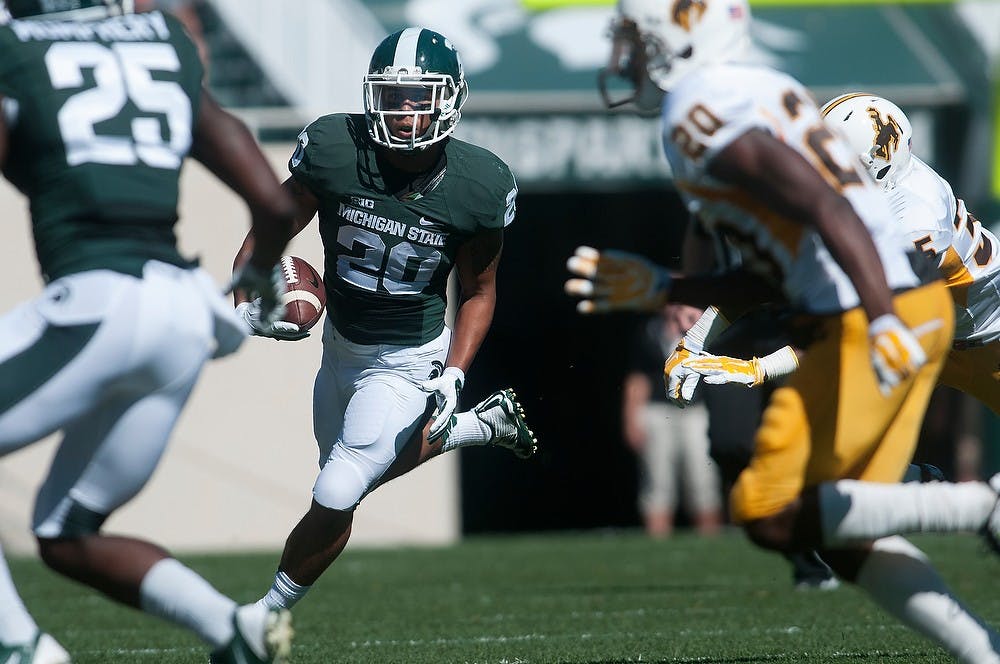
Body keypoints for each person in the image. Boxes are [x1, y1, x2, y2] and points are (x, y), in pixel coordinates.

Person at [567, 0, 1000, 660]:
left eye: (637, 34)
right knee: (810, 526)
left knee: (775, 509)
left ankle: (974, 506)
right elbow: (790, 266)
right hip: (886, 310)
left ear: (684, 33)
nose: (626, 51)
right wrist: (671, 291)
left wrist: (872, 320)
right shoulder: (763, 88)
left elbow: (824, 209)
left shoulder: (698, 114)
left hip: (892, 312)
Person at [0, 1, 299, 662]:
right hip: (182, 317)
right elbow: (275, 204)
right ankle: (233, 627)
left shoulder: (16, 49)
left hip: (97, 304)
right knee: (67, 532)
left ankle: (20, 649)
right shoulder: (164, 39)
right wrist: (258, 270)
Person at [233, 27, 537, 613]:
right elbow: (274, 223)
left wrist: (453, 372)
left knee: (337, 488)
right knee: (338, 492)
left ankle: (261, 619)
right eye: (393, 95)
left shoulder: (479, 184)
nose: (404, 111)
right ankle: (475, 429)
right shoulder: (335, 146)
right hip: (341, 345)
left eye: (418, 95)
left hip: (408, 357)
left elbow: (478, 290)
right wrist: (248, 299)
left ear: (450, 97)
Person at [678, 93, 1000, 417]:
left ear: (876, 165)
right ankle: (919, 473)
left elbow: (854, 328)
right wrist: (694, 338)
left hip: (987, 339)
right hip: (926, 336)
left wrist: (759, 369)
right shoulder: (874, 187)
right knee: (826, 448)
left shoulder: (916, 221)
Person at [622, 304, 722, 538]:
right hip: (657, 412)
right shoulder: (649, 331)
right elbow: (638, 379)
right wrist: (631, 419)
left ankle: (711, 542)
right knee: (658, 481)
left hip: (694, 412)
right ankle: (658, 542)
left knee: (703, 480)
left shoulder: (704, 330)